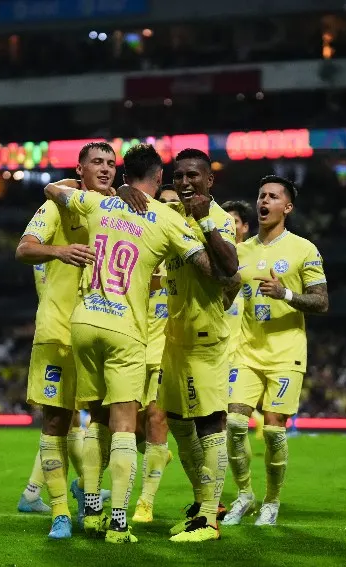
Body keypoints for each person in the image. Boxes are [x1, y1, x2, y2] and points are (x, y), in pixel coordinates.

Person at [42, 143, 230, 544]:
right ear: (159, 178)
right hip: (125, 328)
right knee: (126, 425)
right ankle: (118, 524)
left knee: (96, 421)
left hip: (83, 322)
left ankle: (90, 513)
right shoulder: (165, 218)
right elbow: (214, 270)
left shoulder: (96, 204)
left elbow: (53, 190)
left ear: (124, 175)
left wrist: (110, 191)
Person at [15, 142, 116, 539]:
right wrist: (59, 250)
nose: (105, 169)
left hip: (103, 333)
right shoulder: (59, 205)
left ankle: (88, 493)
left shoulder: (119, 210)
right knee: (57, 420)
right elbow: (23, 248)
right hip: (58, 330)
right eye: (97, 162)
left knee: (104, 422)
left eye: (110, 163)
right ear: (81, 168)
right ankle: (59, 511)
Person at [222, 175, 329, 527]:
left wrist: (285, 294)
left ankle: (271, 501)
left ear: (288, 207)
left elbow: (321, 302)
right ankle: (244, 494)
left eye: (272, 196)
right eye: (260, 195)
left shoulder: (303, 249)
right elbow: (226, 298)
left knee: (273, 431)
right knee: (235, 424)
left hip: (286, 353)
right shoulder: (241, 251)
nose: (263, 201)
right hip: (247, 351)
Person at [160, 148, 241, 543]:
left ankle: (209, 519)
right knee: (176, 421)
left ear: (210, 181)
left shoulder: (221, 220)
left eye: (193, 175)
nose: (186, 182)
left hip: (205, 338)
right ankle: (201, 504)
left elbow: (228, 270)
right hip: (174, 337)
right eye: (179, 176)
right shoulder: (171, 219)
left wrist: (205, 219)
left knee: (211, 421)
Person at [131, 184, 181, 524]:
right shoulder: (140, 244)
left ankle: (144, 503)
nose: (168, 207)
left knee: (155, 416)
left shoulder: (186, 249)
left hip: (168, 348)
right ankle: (158, 456)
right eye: (162, 203)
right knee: (132, 427)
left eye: (174, 203)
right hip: (133, 342)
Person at [220, 200, 259, 436]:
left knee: (231, 418)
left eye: (233, 221)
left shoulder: (255, 258)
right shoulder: (210, 258)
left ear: (244, 227)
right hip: (212, 344)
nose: (228, 226)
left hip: (242, 349)